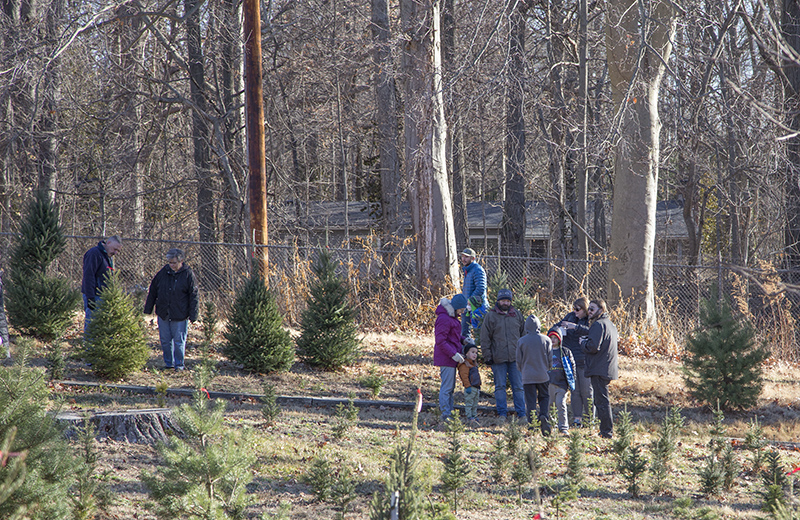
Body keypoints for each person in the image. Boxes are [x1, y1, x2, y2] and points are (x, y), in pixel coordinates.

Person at [144, 249, 199, 371]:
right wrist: (148, 308)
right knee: (165, 340)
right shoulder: (162, 273)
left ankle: (179, 365)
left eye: (174, 263)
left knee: (179, 341)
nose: (171, 265)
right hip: (163, 312)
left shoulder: (188, 274)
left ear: (181, 261)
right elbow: (153, 290)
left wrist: (193, 314)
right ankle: (169, 363)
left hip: (180, 313)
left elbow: (194, 295)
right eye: (170, 262)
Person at [480, 288, 526, 422]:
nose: (505, 303)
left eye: (507, 300)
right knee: (500, 387)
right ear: (498, 301)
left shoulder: (517, 315)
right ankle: (502, 414)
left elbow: (524, 335)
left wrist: (524, 354)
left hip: (516, 358)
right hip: (497, 358)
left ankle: (522, 414)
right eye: (503, 300)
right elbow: (485, 337)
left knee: (518, 387)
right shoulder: (491, 316)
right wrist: (487, 356)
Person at [582, 298, 619, 439]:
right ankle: (605, 431)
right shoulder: (610, 324)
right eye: (588, 309)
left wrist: (583, 343)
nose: (589, 311)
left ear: (601, 310)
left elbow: (593, 347)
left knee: (601, 401)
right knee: (602, 400)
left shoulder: (598, 325)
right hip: (606, 367)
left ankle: (606, 432)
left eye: (592, 309)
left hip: (599, 368)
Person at [434, 294, 468, 423]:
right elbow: (441, 341)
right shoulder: (444, 318)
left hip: (451, 356)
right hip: (446, 357)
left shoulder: (452, 317)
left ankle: (450, 411)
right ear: (457, 307)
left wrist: (464, 340)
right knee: (447, 387)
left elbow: (453, 336)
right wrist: (453, 354)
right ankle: (445, 413)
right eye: (462, 309)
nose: (463, 312)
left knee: (451, 387)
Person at [559, 297, 593, 427]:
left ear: (585, 309)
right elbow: (556, 327)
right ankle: (577, 419)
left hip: (584, 361)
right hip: (571, 360)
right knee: (575, 391)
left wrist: (575, 327)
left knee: (587, 391)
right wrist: (560, 330)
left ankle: (590, 419)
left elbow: (592, 331)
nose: (575, 311)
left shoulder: (590, 320)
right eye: (574, 309)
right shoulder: (570, 317)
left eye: (578, 309)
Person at [516, 315, 552, 435]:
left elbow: (518, 360)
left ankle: (532, 425)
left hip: (527, 376)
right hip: (542, 375)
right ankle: (544, 416)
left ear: (526, 326)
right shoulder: (546, 340)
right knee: (544, 397)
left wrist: (522, 371)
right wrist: (547, 369)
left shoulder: (521, 341)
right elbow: (550, 358)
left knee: (530, 400)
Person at [81, 236, 123, 334]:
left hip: (104, 296)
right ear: (108, 243)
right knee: (92, 325)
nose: (116, 252)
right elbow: (89, 276)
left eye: (118, 251)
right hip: (95, 296)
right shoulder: (94, 254)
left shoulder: (108, 257)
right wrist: (90, 297)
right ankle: (89, 343)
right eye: (115, 249)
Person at [547, 326, 576, 435]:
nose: (553, 340)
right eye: (551, 338)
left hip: (562, 384)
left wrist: (571, 381)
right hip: (549, 383)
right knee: (550, 405)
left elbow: (572, 367)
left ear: (559, 339)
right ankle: (552, 426)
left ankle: (563, 427)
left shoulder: (565, 351)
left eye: (555, 338)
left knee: (561, 404)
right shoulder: (546, 351)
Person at [460, 248, 488, 338]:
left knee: (479, 333)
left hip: (478, 307)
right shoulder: (467, 270)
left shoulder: (478, 270)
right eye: (463, 256)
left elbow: (481, 288)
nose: (463, 259)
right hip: (467, 307)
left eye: (466, 257)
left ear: (473, 258)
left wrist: (470, 300)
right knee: (464, 333)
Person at [457, 341, 482, 428]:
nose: (475, 354)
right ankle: (469, 416)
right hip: (470, 387)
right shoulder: (465, 365)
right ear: (466, 353)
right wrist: (467, 386)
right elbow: (464, 376)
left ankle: (474, 415)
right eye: (472, 352)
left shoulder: (474, 364)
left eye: (476, 353)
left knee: (475, 403)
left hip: (476, 387)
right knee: (469, 403)